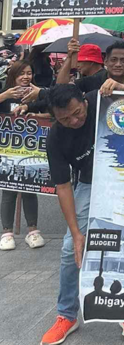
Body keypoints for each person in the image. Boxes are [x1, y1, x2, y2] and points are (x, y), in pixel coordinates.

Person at [40, 84, 124, 345]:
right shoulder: (56, 138)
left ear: (84, 102)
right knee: (69, 249)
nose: (74, 121)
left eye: (77, 113)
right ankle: (66, 315)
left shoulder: (103, 101)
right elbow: (63, 186)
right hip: (89, 184)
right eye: (65, 119)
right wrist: (76, 234)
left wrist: (122, 87)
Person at [0, 61, 50, 252]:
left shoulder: (37, 94)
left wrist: (38, 114)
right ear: (12, 75)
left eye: (29, 73)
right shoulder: (5, 94)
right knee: (8, 190)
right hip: (7, 151)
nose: (26, 77)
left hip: (32, 151)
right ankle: (6, 233)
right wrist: (5, 95)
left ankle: (33, 230)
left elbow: (52, 112)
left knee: (30, 188)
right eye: (21, 73)